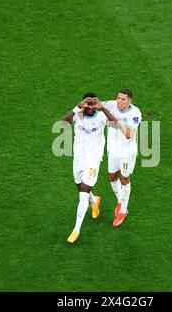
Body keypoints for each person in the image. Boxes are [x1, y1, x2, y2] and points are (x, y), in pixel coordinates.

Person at [61, 93, 117, 244]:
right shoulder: (77, 115)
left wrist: (103, 107)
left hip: (93, 161)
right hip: (78, 160)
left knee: (83, 194)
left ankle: (76, 230)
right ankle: (95, 200)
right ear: (84, 103)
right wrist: (78, 106)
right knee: (80, 188)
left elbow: (114, 123)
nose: (91, 107)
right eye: (88, 103)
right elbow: (63, 122)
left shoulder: (100, 117)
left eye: (93, 103)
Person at [103, 89, 142, 227]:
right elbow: (97, 106)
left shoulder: (135, 113)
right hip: (112, 151)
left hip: (126, 153)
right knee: (112, 176)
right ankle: (120, 200)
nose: (119, 101)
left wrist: (116, 121)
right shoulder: (112, 104)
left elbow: (128, 134)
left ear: (129, 101)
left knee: (125, 178)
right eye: (118, 98)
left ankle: (123, 210)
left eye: (123, 99)